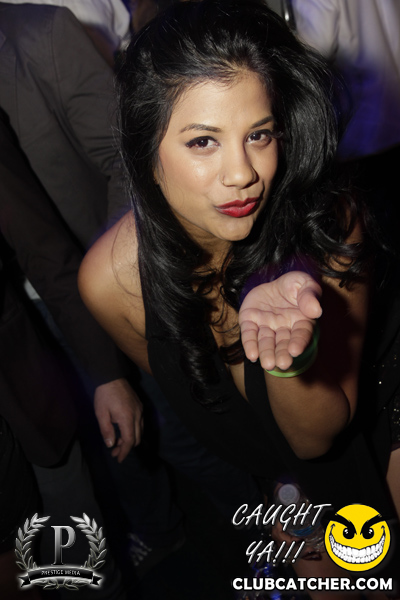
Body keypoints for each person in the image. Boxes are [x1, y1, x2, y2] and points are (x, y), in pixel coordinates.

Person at [78, 0, 398, 591]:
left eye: (259, 134)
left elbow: (319, 433)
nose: (242, 173)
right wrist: (288, 495)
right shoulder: (111, 283)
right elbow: (223, 419)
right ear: (147, 149)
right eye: (203, 141)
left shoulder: (329, 219)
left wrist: (289, 349)